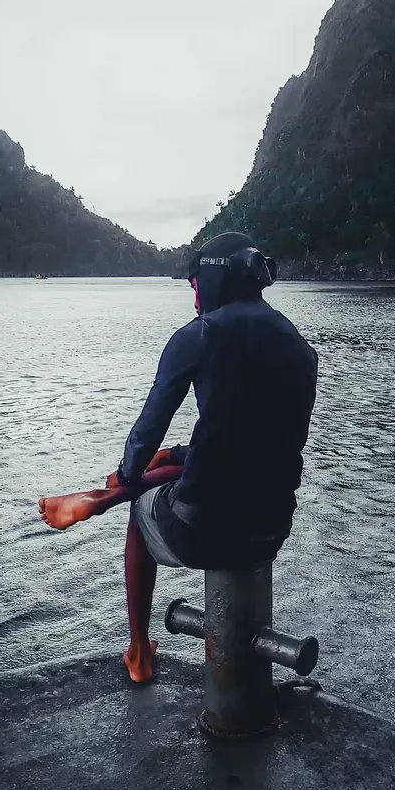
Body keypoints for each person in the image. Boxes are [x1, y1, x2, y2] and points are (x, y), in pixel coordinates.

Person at [38, 231, 318, 682]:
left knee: (140, 511)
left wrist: (128, 476)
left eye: (194, 288)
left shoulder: (199, 334)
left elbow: (146, 430)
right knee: (189, 467)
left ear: (212, 280)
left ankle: (138, 652)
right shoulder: (300, 346)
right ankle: (106, 497)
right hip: (272, 527)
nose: (193, 302)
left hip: (206, 529)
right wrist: (171, 455)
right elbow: (251, 443)